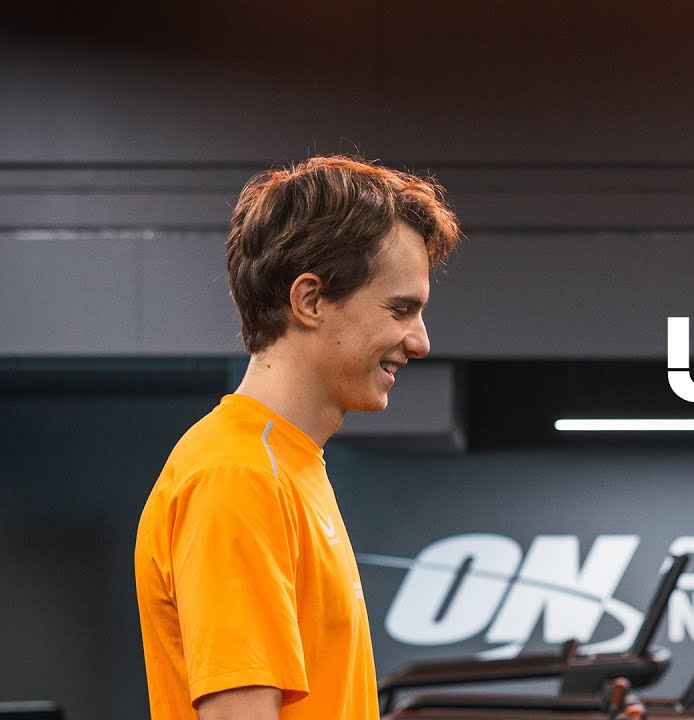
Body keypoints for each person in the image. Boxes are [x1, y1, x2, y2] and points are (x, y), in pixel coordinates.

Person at [134, 155, 461, 720]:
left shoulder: (287, 464)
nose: (420, 341)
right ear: (309, 300)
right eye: (401, 309)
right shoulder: (238, 476)